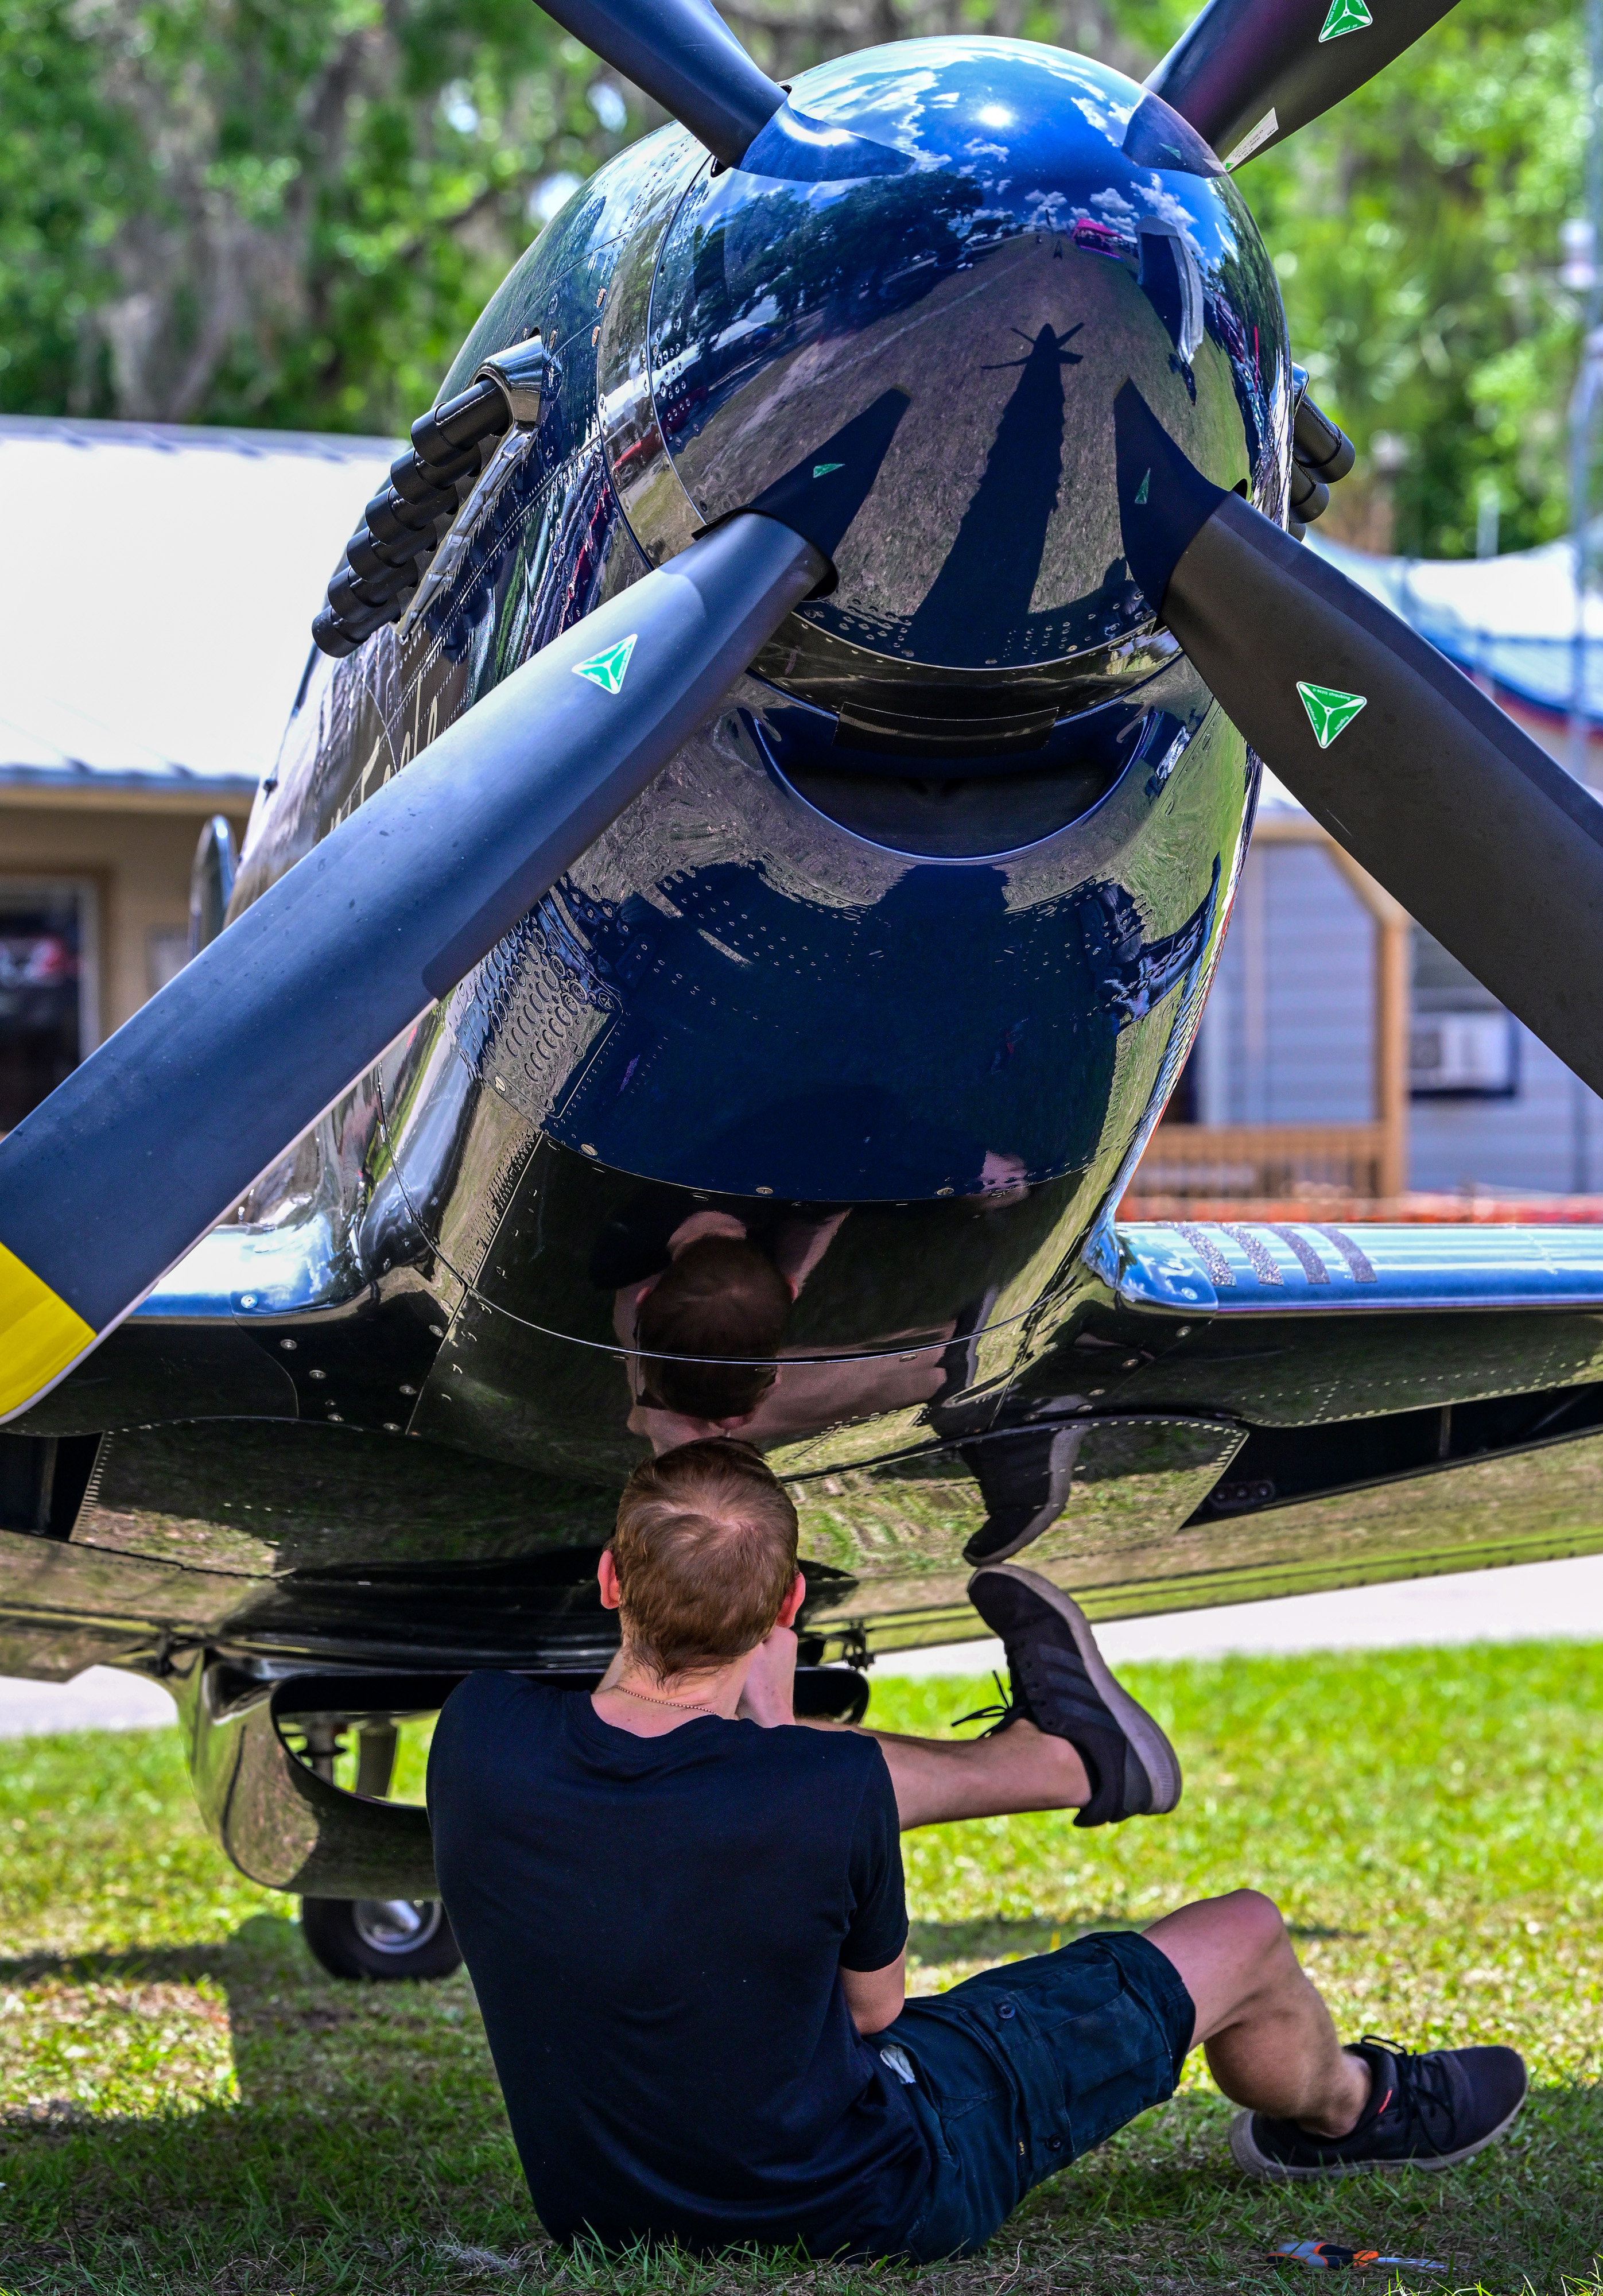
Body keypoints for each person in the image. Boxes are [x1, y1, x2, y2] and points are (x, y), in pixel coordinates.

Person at [427, 1438, 1528, 2262]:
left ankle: (1058, 1760)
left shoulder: (477, 1732)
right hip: (871, 2197)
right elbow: (872, 2016)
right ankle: (1350, 2110)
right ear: (791, 1608)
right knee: (1244, 1932)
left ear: (611, 1582)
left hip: (602, 2213)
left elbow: (685, 1782)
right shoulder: (833, 1789)